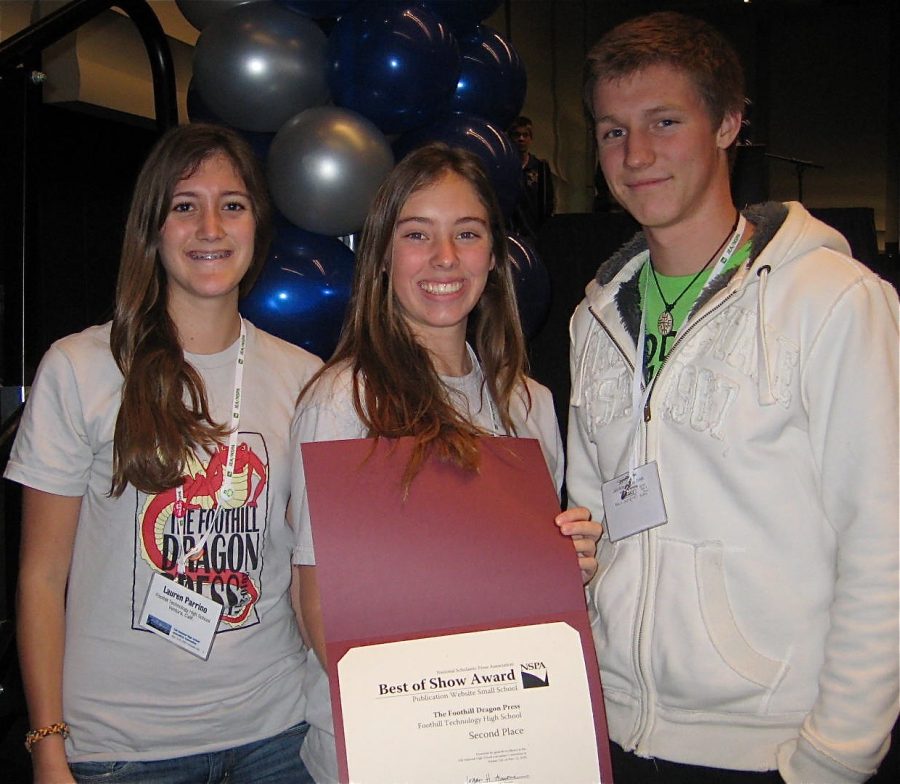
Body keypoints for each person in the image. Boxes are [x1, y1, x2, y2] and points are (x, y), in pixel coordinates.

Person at [568, 11, 898, 784]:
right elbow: (598, 521)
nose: (637, 154)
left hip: (768, 748)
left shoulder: (833, 301)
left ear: (729, 125)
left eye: (665, 121)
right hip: (611, 731)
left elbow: (883, 544)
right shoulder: (596, 319)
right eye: (612, 131)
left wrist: (836, 756)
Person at [7, 123, 322, 783]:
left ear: (257, 227)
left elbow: (311, 569)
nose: (211, 226)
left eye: (232, 205)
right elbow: (41, 578)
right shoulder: (81, 367)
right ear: (152, 229)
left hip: (276, 734)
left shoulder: (305, 379)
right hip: (123, 748)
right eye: (185, 206)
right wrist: (47, 745)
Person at [289, 142, 600, 783]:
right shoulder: (346, 400)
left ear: (494, 254)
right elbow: (316, 599)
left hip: (502, 744)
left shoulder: (528, 406)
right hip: (387, 751)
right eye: (417, 234)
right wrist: (412, 738)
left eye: (467, 233)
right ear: (381, 256)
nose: (445, 258)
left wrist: (569, 563)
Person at [507, 116, 555, 239]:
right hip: (509, 231)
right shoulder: (505, 167)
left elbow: (548, 201)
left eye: (525, 135)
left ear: (531, 138)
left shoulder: (540, 167)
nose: (521, 139)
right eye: (517, 135)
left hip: (534, 232)